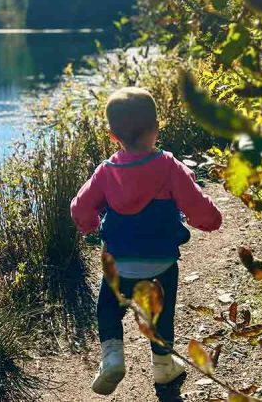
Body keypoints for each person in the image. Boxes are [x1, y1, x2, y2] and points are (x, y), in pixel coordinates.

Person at [70, 87, 223, 395]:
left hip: (119, 263)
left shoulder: (106, 172)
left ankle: (112, 354)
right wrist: (211, 221)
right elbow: (196, 206)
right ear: (156, 127)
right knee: (161, 315)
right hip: (161, 262)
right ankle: (164, 367)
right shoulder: (169, 166)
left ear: (113, 137)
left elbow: (80, 207)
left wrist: (90, 226)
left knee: (109, 309)